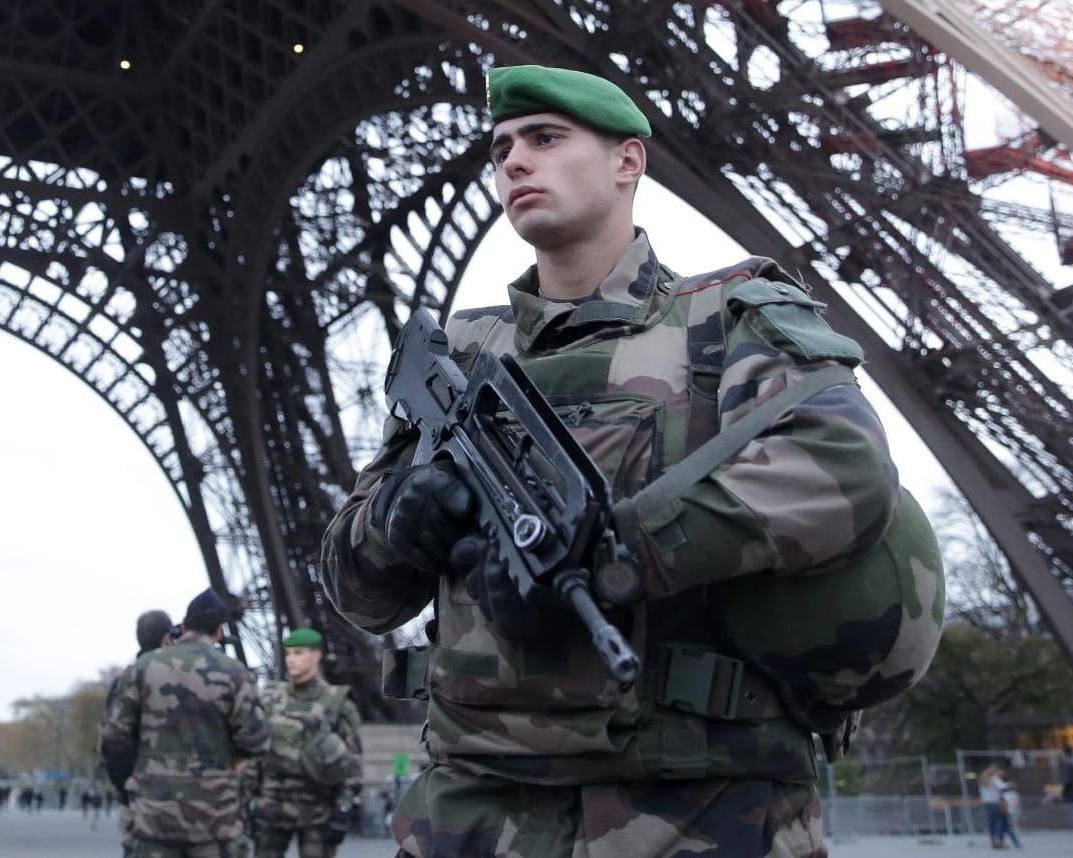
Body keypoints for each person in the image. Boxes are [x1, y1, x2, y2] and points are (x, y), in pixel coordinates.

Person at [321, 64, 903, 858]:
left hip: (692, 815)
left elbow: (845, 466)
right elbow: (359, 596)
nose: (515, 162)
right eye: (501, 150)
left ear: (629, 161)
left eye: (546, 139)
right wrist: (395, 523)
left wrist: (613, 559)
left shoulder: (731, 319)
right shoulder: (459, 352)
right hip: (468, 814)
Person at [100, 589, 270, 857]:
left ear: (184, 625)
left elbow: (114, 736)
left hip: (153, 813)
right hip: (215, 817)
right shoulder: (235, 673)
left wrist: (133, 784)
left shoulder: (142, 669)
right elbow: (255, 739)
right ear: (218, 630)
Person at [245, 627, 365, 858]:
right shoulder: (271, 698)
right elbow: (254, 750)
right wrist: (248, 798)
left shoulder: (337, 702)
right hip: (271, 806)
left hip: (318, 809)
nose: (291, 660)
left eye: (299, 653)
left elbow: (353, 760)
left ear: (316, 656)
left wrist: (345, 804)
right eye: (289, 653)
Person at [101, 609, 175, 855]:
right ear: (167, 638)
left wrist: (126, 788)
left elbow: (113, 739)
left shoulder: (126, 679)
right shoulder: (179, 677)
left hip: (138, 794)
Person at [978, 765, 1008, 849]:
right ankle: (999, 841)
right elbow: (1003, 786)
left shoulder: (983, 780)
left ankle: (993, 841)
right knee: (998, 822)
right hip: (994, 802)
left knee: (991, 822)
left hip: (987, 803)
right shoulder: (994, 779)